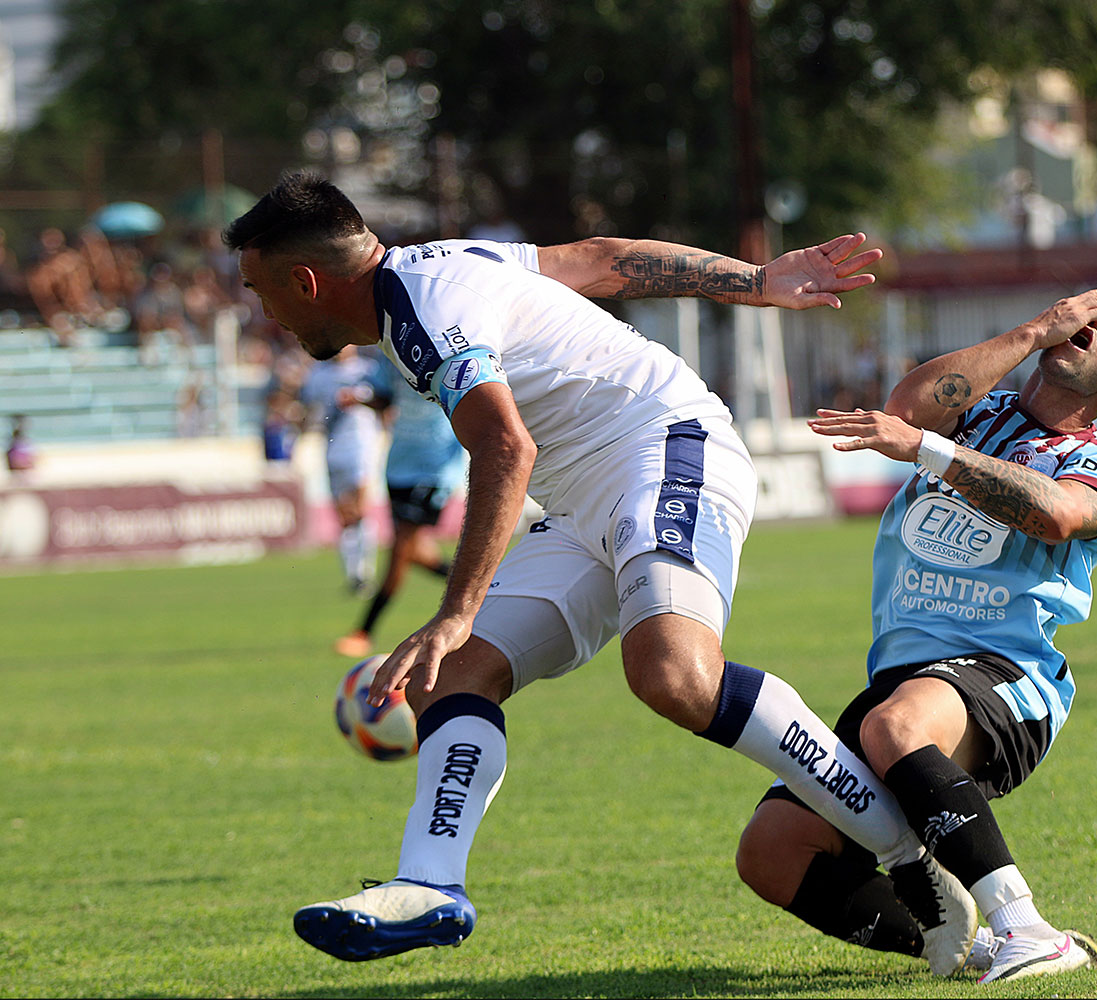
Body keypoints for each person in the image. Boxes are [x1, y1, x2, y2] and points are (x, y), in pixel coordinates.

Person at [224, 171, 978, 973]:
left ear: (306, 281)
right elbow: (607, 258)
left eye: (260, 292)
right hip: (585, 497)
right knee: (456, 677)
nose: (262, 313)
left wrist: (454, 608)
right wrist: (756, 282)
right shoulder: (439, 265)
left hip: (667, 446)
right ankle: (430, 886)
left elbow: (507, 446)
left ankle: (910, 857)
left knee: (673, 676)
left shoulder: (422, 305)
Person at [735, 283, 1097, 983]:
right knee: (772, 852)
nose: (1096, 326)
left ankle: (1028, 929)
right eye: (1092, 313)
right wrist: (1033, 331)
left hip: (1006, 674)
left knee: (896, 727)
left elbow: (1058, 515)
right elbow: (905, 412)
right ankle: (969, 947)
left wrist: (931, 452)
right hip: (903, 680)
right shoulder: (977, 408)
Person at [334, 355, 466, 658]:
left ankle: (364, 630)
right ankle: (488, 587)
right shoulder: (394, 354)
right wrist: (361, 399)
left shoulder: (451, 353)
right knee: (414, 552)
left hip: (434, 469)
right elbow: (384, 398)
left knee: (400, 550)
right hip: (398, 465)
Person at [299, 343, 384, 594]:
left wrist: (359, 399)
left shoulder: (369, 370)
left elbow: (384, 403)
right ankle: (352, 574)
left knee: (360, 506)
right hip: (333, 448)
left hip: (361, 447)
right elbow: (308, 411)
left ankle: (364, 572)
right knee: (343, 513)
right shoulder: (318, 374)